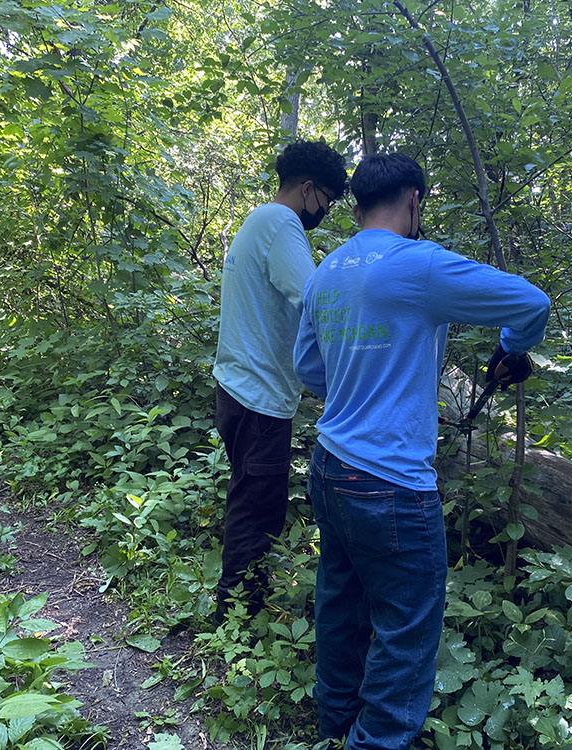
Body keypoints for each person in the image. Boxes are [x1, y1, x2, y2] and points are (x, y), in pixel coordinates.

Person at [294, 152, 550, 749]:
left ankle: (336, 725)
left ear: (354, 207)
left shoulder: (326, 270)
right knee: (406, 634)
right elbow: (531, 305)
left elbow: (310, 368)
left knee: (341, 606)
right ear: (414, 201)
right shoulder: (419, 265)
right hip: (391, 484)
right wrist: (513, 349)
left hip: (329, 465)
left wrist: (360, 387)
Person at [212, 139, 348, 623]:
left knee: (250, 498)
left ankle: (239, 604)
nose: (326, 212)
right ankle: (235, 616)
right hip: (259, 399)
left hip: (238, 388)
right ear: (308, 188)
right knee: (258, 509)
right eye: (328, 201)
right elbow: (316, 302)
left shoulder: (256, 220)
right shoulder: (282, 224)